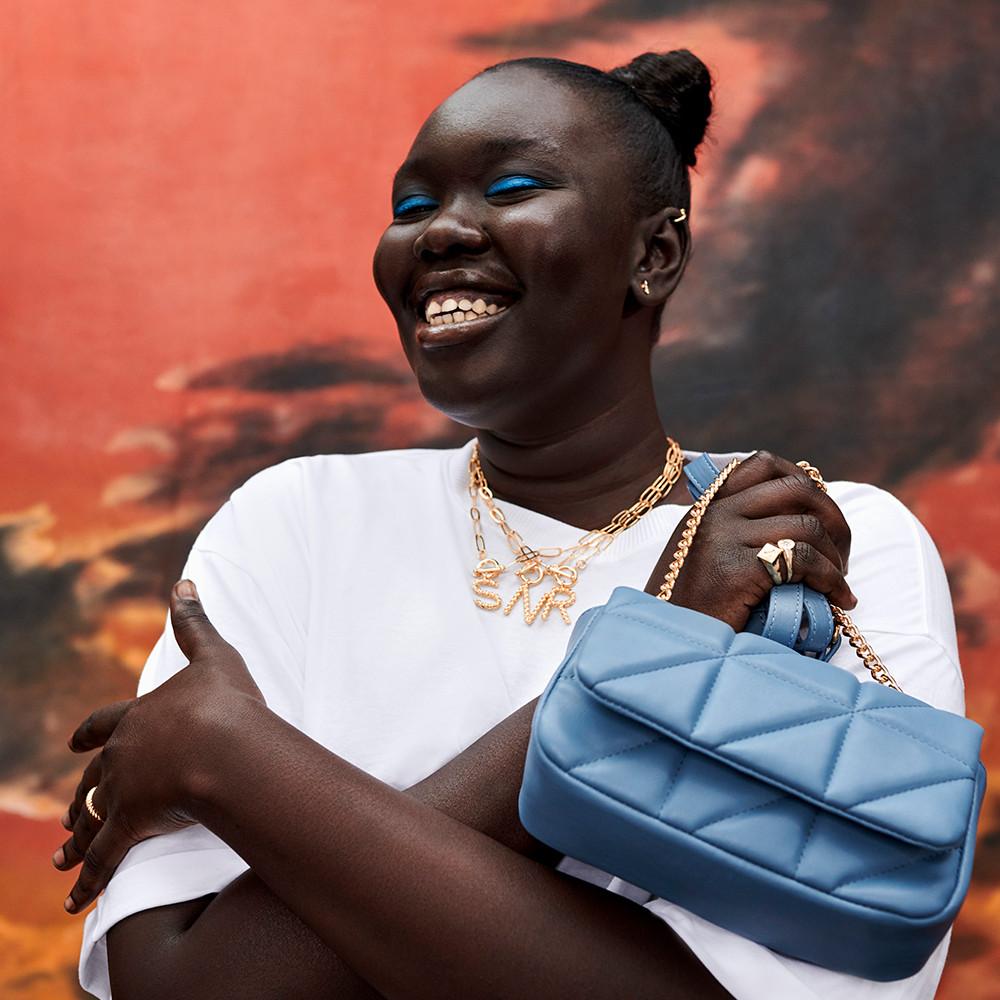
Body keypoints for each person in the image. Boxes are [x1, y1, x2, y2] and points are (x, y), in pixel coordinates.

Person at [53, 50, 966, 999]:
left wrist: (234, 758)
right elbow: (180, 984)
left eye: (515, 187)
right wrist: (666, 662)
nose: (441, 230)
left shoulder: (806, 540)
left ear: (653, 256)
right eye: (410, 208)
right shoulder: (296, 522)